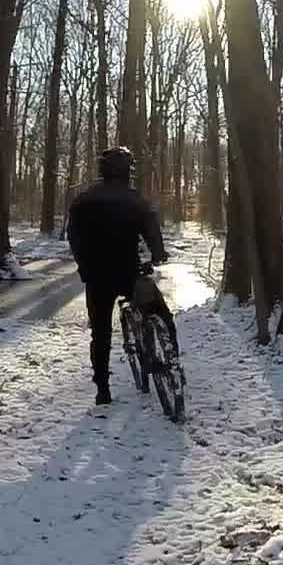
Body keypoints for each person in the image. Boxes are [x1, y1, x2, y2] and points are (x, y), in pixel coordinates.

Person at [66, 146, 170, 405]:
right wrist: (158, 254)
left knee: (100, 334)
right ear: (127, 172)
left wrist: (83, 265)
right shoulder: (136, 200)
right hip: (128, 272)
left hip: (96, 276)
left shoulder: (84, 200)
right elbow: (151, 231)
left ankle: (103, 389)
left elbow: (74, 238)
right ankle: (171, 359)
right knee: (159, 313)